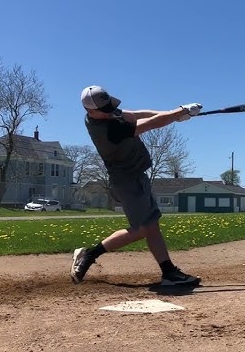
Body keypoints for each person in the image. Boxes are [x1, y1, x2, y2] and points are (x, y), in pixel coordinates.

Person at [70, 85, 202, 286]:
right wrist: (178, 113)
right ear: (90, 111)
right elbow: (147, 124)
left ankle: (168, 272)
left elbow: (136, 114)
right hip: (126, 179)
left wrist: (175, 113)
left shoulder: (104, 114)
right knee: (143, 228)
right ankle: (89, 254)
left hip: (136, 176)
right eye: (104, 110)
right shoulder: (108, 130)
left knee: (151, 225)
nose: (110, 112)